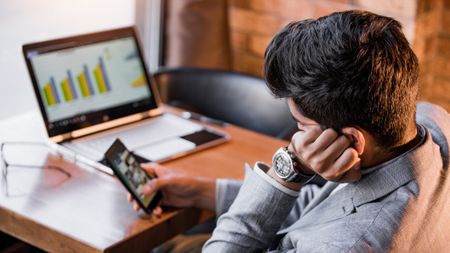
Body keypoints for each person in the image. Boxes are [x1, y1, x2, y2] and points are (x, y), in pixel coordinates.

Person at [129, 10, 450, 252]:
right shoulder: (432, 122)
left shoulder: (346, 246)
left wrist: (290, 166)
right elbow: (330, 208)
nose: (296, 140)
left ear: (352, 140)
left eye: (302, 127)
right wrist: (203, 191)